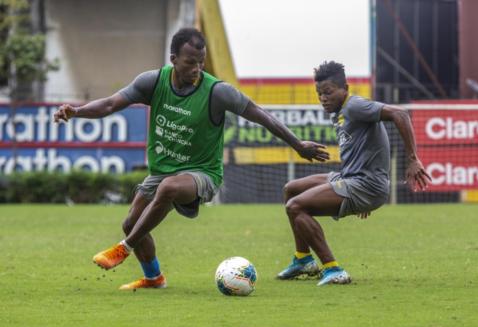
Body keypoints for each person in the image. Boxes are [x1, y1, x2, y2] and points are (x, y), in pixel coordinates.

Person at [53, 28, 329, 290]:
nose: (196, 69)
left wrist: (297, 144)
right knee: (132, 222)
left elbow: (260, 114)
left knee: (168, 190)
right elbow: (112, 103)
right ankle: (154, 278)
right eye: (189, 62)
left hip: (203, 174)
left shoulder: (217, 91)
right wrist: (77, 112)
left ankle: (123, 248)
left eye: (201, 62)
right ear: (173, 60)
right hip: (162, 172)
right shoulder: (152, 81)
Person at [276, 61, 432, 286]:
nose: (323, 98)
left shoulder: (355, 105)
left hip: (365, 184)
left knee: (295, 207)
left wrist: (412, 159)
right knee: (291, 189)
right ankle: (303, 260)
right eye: (319, 93)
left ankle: (334, 269)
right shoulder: (339, 111)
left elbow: (401, 114)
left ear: (345, 88)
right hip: (351, 178)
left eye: (328, 92)